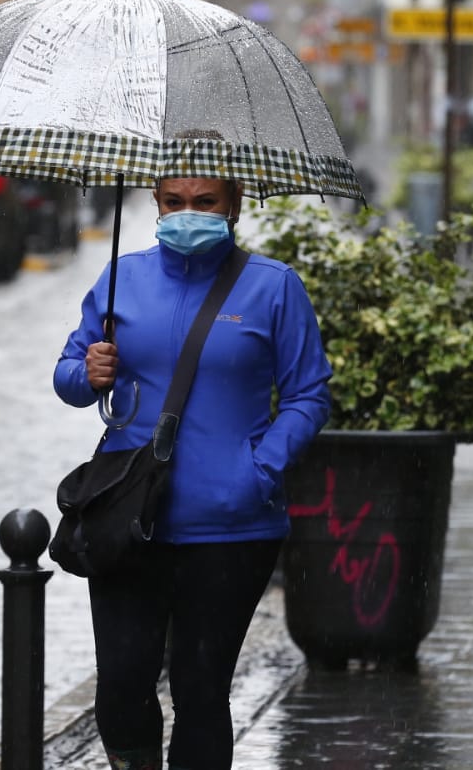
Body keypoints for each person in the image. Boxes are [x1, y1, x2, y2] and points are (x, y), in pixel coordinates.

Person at [53, 175, 332, 770]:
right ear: (154, 203)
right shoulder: (119, 279)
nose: (188, 215)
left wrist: (259, 468)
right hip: (129, 520)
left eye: (205, 202)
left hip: (232, 528)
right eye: (174, 202)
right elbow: (69, 377)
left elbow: (309, 395)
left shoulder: (273, 288)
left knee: (200, 691)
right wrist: (90, 372)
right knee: (122, 687)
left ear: (233, 204)